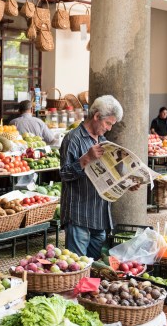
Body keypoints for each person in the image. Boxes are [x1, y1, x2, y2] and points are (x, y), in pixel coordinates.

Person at [59, 95, 140, 260]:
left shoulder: (103, 141)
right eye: (108, 123)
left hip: (100, 216)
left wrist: (126, 183)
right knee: (77, 267)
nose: (109, 128)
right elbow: (64, 174)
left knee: (95, 268)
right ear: (96, 116)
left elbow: (109, 174)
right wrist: (85, 159)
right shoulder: (73, 139)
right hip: (79, 215)